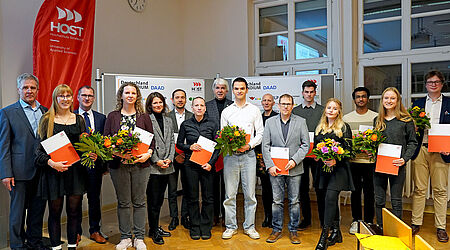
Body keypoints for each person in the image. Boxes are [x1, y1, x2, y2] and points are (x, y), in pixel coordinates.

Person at [35, 84, 89, 250]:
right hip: (54, 173)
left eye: (68, 96)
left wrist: (90, 152)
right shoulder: (47, 119)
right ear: (55, 99)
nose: (65, 99)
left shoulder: (79, 119)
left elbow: (83, 146)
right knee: (55, 213)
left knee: (74, 213)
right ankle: (56, 247)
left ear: (72, 98)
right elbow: (38, 151)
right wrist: (52, 163)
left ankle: (72, 246)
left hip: (75, 173)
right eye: (62, 96)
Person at [0, 73, 48, 250]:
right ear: (18, 90)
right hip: (18, 172)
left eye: (32, 87)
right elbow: (3, 145)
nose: (29, 91)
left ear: (37, 89)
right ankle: (17, 245)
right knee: (17, 213)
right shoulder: (7, 113)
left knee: (37, 210)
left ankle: (34, 242)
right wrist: (6, 173)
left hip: (42, 171)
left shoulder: (45, 111)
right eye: (25, 87)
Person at [103, 83, 154, 250]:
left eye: (133, 93)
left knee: (139, 202)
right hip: (119, 166)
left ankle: (139, 237)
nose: (130, 95)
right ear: (121, 95)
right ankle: (125, 237)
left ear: (137, 96)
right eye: (127, 92)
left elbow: (151, 141)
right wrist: (119, 154)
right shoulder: (112, 116)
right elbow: (106, 140)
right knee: (123, 202)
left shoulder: (144, 116)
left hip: (141, 166)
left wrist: (148, 154)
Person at [262, 94, 309, 244]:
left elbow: (306, 145)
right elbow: (265, 146)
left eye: (289, 104)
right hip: (276, 169)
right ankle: (276, 230)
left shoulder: (301, 122)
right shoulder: (269, 122)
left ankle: (293, 231)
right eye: (283, 104)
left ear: (293, 105)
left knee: (294, 201)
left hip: (294, 169)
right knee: (277, 201)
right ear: (278, 105)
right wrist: (270, 165)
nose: (286, 107)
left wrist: (295, 160)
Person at [220, 77, 264, 240]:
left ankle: (249, 227)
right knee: (230, 194)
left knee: (250, 195)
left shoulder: (254, 110)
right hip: (230, 156)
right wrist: (231, 145)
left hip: (249, 156)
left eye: (242, 88)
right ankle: (231, 226)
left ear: (246, 90)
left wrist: (249, 145)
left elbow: (260, 133)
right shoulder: (227, 111)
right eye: (236, 88)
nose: (239, 91)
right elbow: (222, 134)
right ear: (233, 90)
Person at [410, 70, 450, 243]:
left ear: (442, 84)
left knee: (440, 191)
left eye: (437, 82)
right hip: (422, 150)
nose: (433, 84)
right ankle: (415, 223)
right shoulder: (417, 103)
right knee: (419, 189)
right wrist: (415, 129)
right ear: (425, 84)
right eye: (430, 82)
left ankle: (441, 227)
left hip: (441, 151)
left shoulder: (449, 103)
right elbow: (410, 128)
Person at [373, 87, 417, 230]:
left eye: (392, 98)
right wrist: (370, 151)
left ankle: (396, 230)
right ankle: (381, 227)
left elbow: (413, 142)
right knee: (379, 199)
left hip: (397, 165)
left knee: (396, 200)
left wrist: (404, 159)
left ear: (397, 101)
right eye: (386, 98)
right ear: (382, 100)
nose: (389, 101)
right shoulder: (377, 120)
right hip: (379, 166)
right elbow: (374, 142)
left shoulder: (406, 120)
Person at [177, 97, 220, 240]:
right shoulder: (186, 124)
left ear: (205, 108)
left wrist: (211, 163)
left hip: (207, 166)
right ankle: (195, 226)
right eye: (196, 105)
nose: (199, 107)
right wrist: (189, 146)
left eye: (202, 105)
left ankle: (206, 226)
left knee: (208, 197)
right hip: (191, 165)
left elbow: (218, 146)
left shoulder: (213, 124)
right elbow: (179, 144)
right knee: (192, 197)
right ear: (193, 108)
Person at [314, 98, 353, 250]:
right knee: (327, 200)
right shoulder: (320, 127)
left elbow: (349, 150)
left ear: (339, 112)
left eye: (334, 108)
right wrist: (318, 155)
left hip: (338, 170)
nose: (331, 110)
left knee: (330, 198)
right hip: (323, 170)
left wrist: (336, 160)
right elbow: (317, 147)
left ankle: (324, 236)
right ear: (325, 110)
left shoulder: (344, 127)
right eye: (329, 107)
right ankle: (336, 232)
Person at [342, 87, 378, 234]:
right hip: (353, 162)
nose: (361, 99)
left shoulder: (376, 117)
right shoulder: (346, 118)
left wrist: (372, 150)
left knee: (370, 192)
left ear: (368, 99)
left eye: (363, 96)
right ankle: (356, 220)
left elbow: (380, 140)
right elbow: (344, 140)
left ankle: (369, 221)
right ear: (354, 99)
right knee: (355, 192)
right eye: (358, 97)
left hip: (370, 162)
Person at [75, 85, 107, 244]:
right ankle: (76, 231)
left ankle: (95, 230)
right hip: (76, 167)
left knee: (94, 199)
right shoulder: (71, 116)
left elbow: (107, 143)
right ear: (78, 97)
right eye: (84, 95)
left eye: (90, 96)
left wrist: (104, 164)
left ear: (93, 98)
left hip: (95, 167)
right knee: (76, 200)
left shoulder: (101, 118)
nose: (87, 98)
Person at [292, 80, 325, 229]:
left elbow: (326, 131)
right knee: (302, 189)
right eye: (306, 92)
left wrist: (321, 151)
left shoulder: (323, 110)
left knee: (320, 187)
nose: (309, 94)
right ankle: (306, 219)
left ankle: (324, 220)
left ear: (315, 93)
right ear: (302, 93)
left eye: (311, 92)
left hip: (318, 155)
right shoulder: (296, 111)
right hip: (301, 155)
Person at [146, 92, 175, 245]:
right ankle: (153, 230)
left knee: (159, 200)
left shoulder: (168, 120)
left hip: (167, 166)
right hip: (153, 167)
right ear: (150, 105)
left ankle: (155, 227)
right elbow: (146, 143)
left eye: (160, 102)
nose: (158, 105)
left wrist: (170, 158)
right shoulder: (146, 120)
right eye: (155, 103)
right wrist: (157, 160)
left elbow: (171, 141)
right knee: (153, 201)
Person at [205, 78, 233, 226]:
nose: (220, 90)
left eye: (223, 88)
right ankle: (215, 215)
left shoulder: (233, 106)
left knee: (227, 185)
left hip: (229, 151)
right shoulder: (207, 106)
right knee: (213, 185)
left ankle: (226, 217)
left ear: (227, 90)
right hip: (212, 151)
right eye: (217, 88)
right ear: (213, 90)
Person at [167, 89, 193, 231]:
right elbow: (166, 139)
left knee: (187, 188)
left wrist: (184, 153)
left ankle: (185, 216)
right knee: (172, 190)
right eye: (177, 97)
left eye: (182, 97)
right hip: (172, 158)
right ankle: (174, 218)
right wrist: (176, 154)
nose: (180, 100)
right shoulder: (167, 116)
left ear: (186, 99)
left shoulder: (192, 115)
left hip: (188, 158)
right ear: (172, 100)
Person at [255, 93, 278, 228]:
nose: (266, 102)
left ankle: (275, 218)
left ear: (273, 103)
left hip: (275, 157)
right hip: (261, 158)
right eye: (264, 100)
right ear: (261, 103)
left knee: (275, 188)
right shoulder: (258, 117)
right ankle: (267, 216)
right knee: (265, 189)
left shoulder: (277, 117)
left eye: (269, 100)